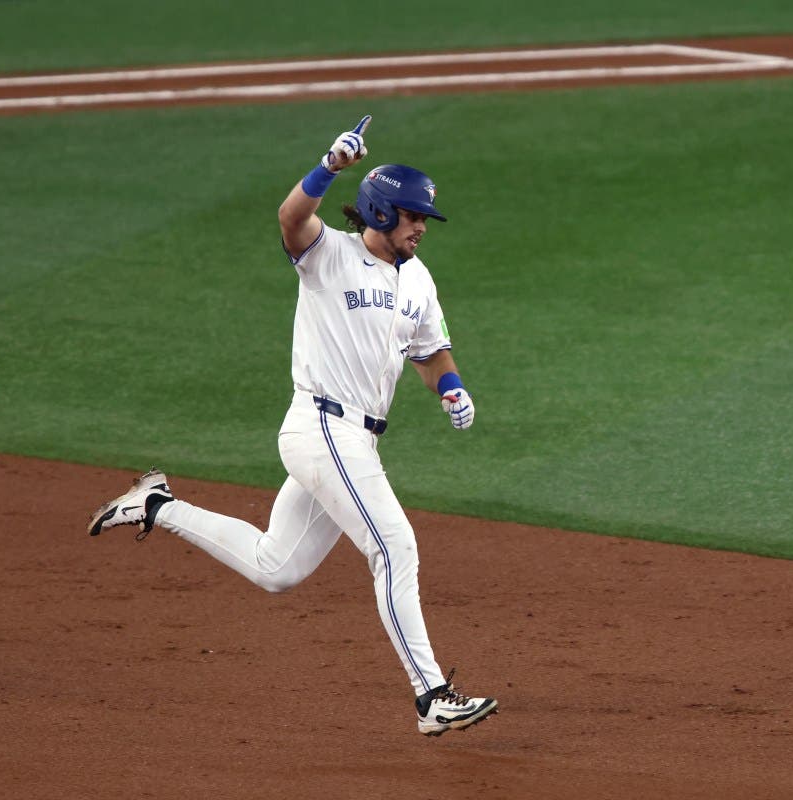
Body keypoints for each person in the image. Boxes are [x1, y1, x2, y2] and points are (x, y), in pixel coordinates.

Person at [86, 114, 497, 737]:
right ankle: (431, 696)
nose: (421, 228)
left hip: (355, 440)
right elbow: (290, 219)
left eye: (423, 220)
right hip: (321, 427)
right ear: (381, 214)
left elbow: (430, 351)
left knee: (277, 567)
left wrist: (452, 388)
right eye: (413, 217)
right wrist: (328, 167)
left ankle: (156, 504)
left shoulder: (418, 279)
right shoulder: (326, 253)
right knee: (395, 547)